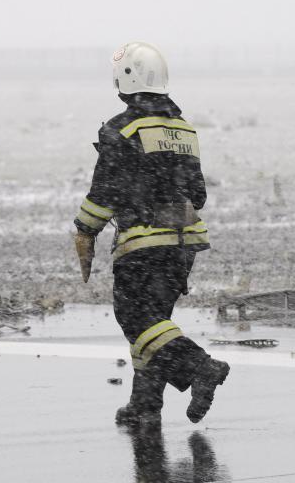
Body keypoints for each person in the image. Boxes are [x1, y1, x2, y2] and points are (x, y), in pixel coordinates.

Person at [73, 41, 230, 426]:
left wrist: (85, 231)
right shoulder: (184, 129)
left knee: (135, 317)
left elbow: (104, 193)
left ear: (125, 78)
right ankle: (144, 405)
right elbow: (198, 195)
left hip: (143, 244)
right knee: (154, 323)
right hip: (184, 244)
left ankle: (200, 366)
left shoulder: (121, 128)